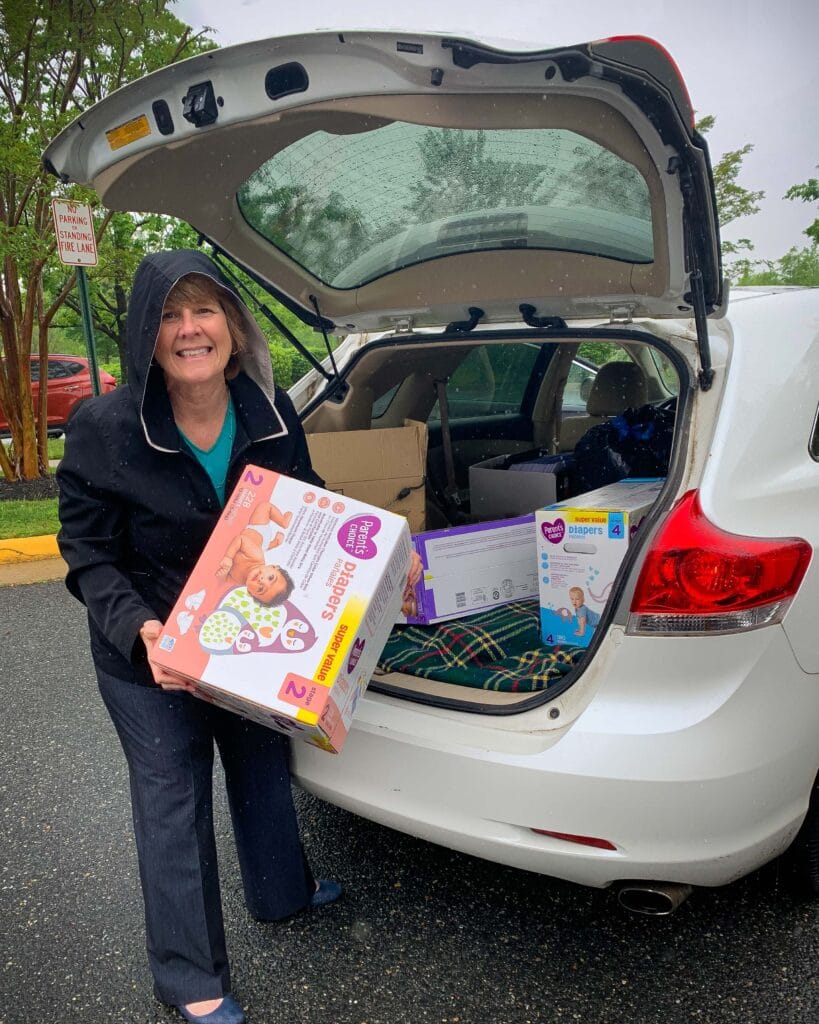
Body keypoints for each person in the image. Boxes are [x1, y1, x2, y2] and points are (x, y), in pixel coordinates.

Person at [57, 250, 342, 1024]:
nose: (190, 329)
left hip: (244, 640)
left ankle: (284, 893)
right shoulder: (103, 427)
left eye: (205, 310)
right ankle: (189, 980)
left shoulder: (268, 408)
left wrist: (376, 558)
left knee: (259, 761)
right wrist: (141, 631)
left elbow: (307, 504)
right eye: (169, 315)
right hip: (147, 650)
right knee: (172, 795)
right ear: (146, 338)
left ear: (233, 326)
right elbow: (86, 551)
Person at [216, 500, 295, 604]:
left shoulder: (240, 581)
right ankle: (283, 522)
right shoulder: (256, 556)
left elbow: (224, 580)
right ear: (272, 567)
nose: (262, 581)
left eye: (260, 589)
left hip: (261, 545)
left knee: (263, 547)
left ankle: (276, 543)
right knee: (264, 506)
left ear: (251, 593)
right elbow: (241, 539)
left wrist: (223, 574)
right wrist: (228, 557)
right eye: (270, 578)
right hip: (259, 531)